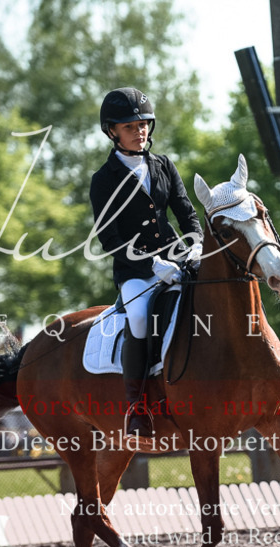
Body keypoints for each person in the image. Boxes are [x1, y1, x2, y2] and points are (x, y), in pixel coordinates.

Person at [89, 86, 202, 440]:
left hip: (178, 260)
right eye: (129, 127)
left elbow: (187, 214)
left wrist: (197, 245)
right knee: (139, 316)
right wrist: (152, 265)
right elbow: (110, 239)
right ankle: (137, 407)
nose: (139, 132)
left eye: (143, 125)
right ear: (112, 131)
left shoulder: (163, 164)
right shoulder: (103, 180)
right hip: (136, 272)